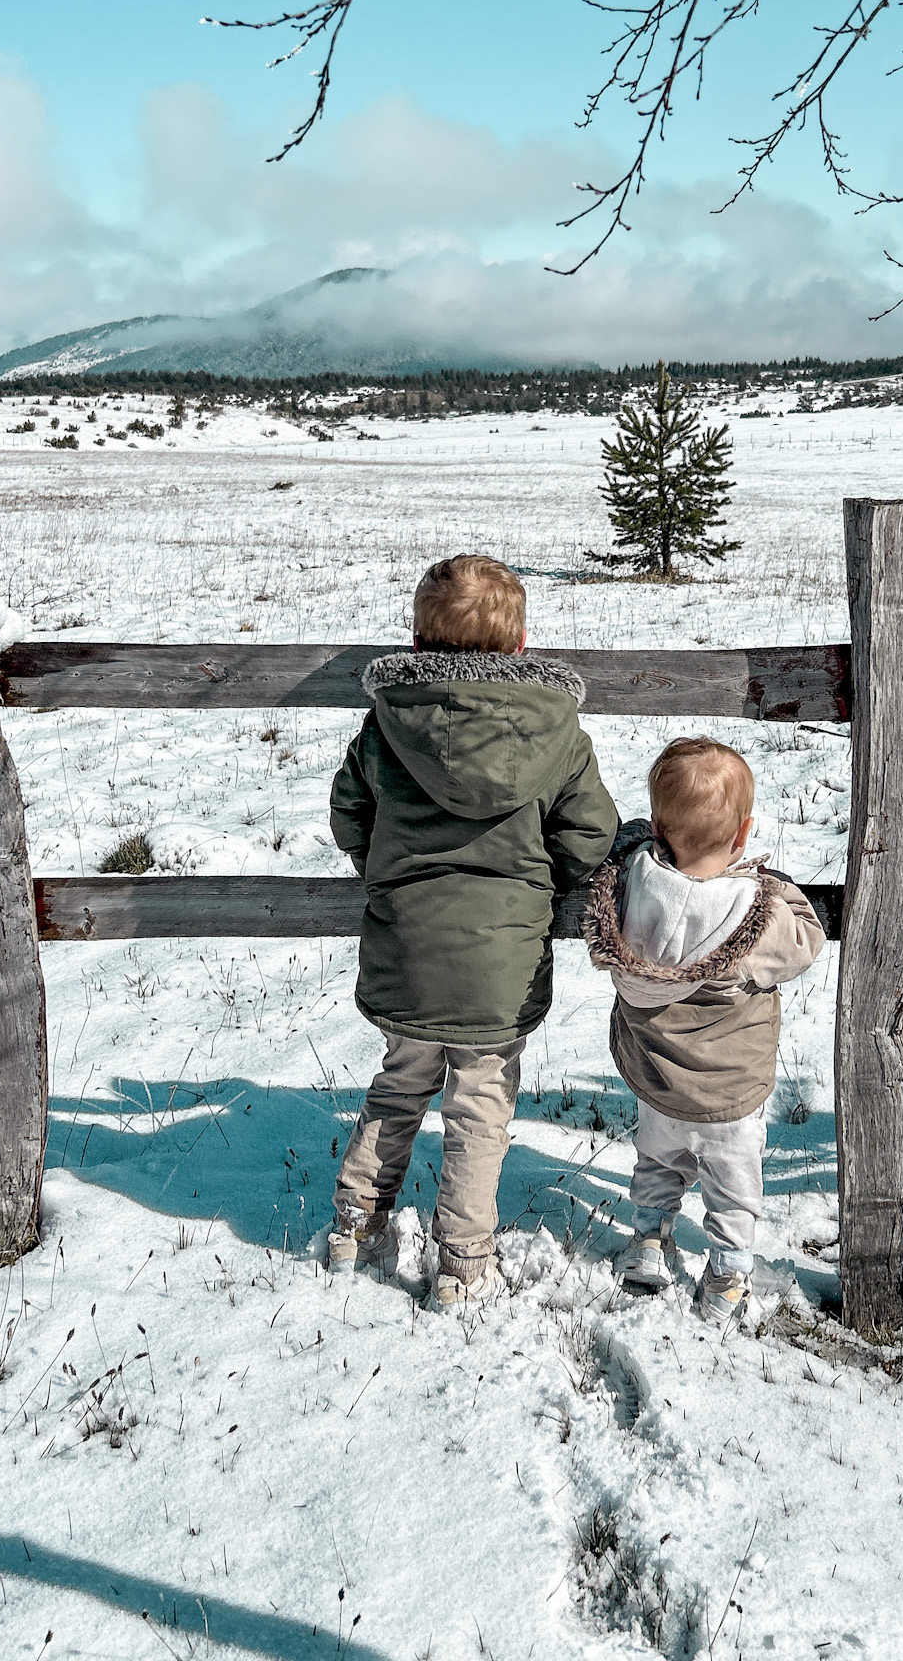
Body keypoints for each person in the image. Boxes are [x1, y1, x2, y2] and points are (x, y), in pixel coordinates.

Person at [327, 554, 618, 1308]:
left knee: (399, 1086)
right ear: (520, 645)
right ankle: (463, 1261)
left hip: (407, 944)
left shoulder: (388, 723)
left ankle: (355, 1224)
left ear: (419, 645)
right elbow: (589, 834)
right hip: (502, 959)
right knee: (479, 1106)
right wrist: (544, 881)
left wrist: (384, 871)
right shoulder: (554, 731)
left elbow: (349, 811)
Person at [584, 737, 824, 1321]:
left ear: (659, 833)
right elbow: (806, 939)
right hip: (728, 1095)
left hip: (658, 1082)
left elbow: (624, 855)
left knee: (658, 1162)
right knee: (733, 1185)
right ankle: (726, 1275)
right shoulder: (754, 912)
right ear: (742, 836)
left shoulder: (632, 887)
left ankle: (646, 1239)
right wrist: (780, 888)